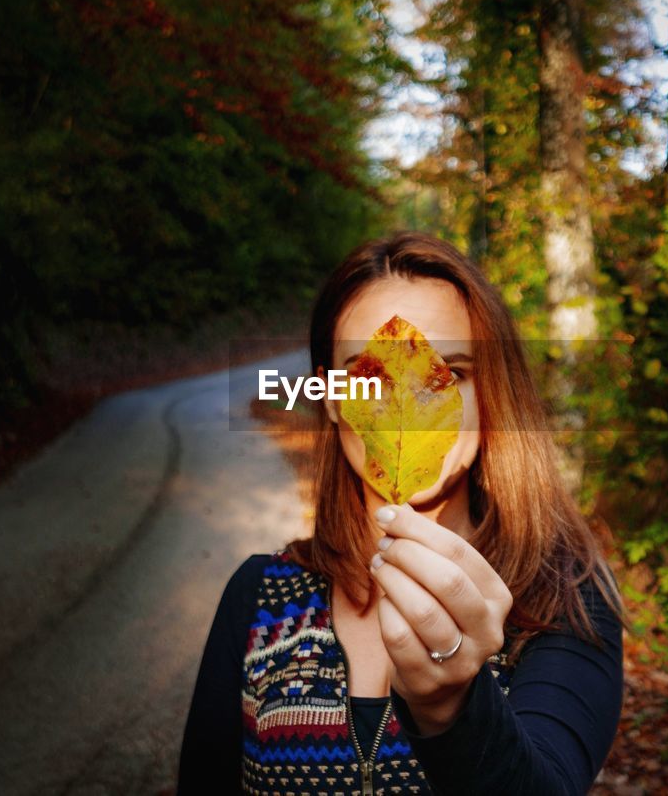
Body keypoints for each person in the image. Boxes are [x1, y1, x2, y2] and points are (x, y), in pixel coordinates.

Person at [177, 232, 624, 795]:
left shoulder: (566, 598)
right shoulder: (257, 597)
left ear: (490, 395)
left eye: (450, 373)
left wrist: (454, 710)